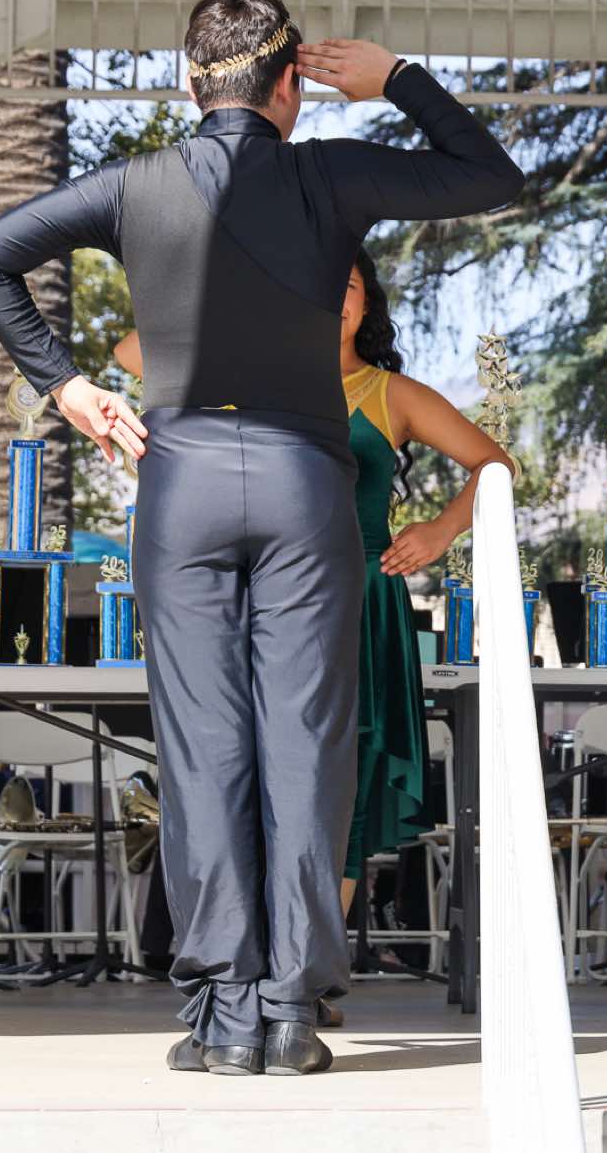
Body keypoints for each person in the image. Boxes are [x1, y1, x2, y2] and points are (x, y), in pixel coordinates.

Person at [0, 0, 523, 1077]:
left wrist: (67, 385)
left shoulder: (134, 185)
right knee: (306, 745)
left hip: (184, 485)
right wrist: (400, 79)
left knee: (203, 747)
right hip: (306, 481)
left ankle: (221, 1017)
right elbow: (493, 175)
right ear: (291, 83)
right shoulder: (328, 175)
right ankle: (291, 1012)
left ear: (189, 83)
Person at [113, 251, 513, 984]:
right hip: (255, 599)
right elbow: (133, 351)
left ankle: (306, 977)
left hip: (360, 598)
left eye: (349, 287)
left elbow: (495, 465)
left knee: (340, 780)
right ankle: (257, 969)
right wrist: (247, 298)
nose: (334, 298)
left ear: (369, 304)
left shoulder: (391, 393)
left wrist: (439, 531)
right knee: (246, 770)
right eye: (316, 284)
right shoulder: (250, 376)